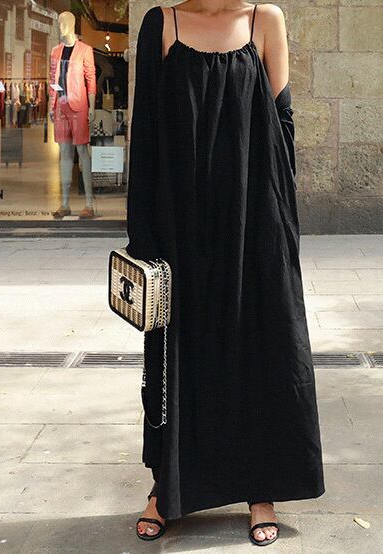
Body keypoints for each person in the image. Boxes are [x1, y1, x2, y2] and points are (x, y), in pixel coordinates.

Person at [124, 1, 324, 547]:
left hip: (254, 216)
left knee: (261, 346)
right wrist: (143, 235)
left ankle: (262, 489)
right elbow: (146, 132)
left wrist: (281, 222)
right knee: (177, 353)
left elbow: (282, 122)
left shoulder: (265, 20)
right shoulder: (162, 23)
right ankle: (166, 486)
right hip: (180, 221)